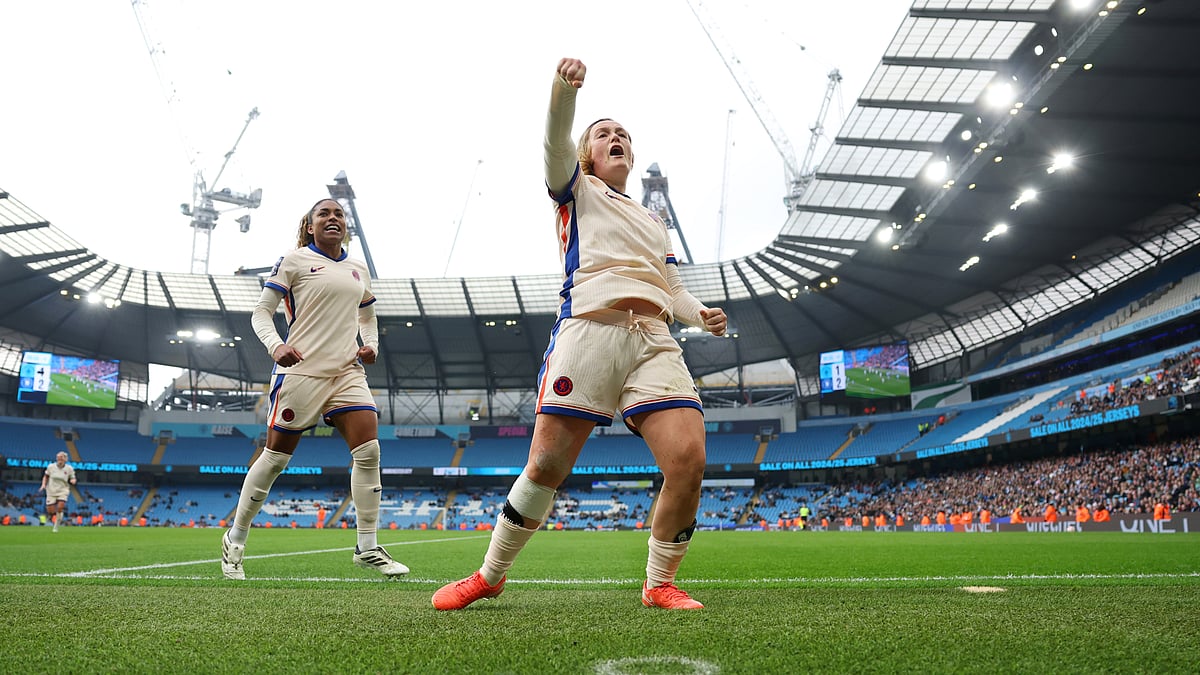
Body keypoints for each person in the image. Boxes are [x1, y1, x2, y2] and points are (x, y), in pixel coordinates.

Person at [432, 57, 727, 611]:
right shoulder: (576, 189)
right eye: (603, 134)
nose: (615, 138)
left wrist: (699, 313)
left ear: (631, 155)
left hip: (655, 340)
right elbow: (552, 141)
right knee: (546, 466)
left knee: (688, 459)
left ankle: (658, 583)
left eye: (622, 135)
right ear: (588, 155)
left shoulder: (655, 221)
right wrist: (563, 93)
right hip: (590, 330)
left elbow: (672, 287)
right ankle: (490, 575)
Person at [219, 198, 408, 580]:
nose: (333, 218)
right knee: (275, 459)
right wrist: (277, 346)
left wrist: (370, 344)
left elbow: (367, 314)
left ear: (346, 225)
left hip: (346, 372)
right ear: (310, 225)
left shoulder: (357, 268)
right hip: (301, 371)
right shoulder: (294, 260)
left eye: (339, 213)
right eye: (324, 213)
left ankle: (367, 548)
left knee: (369, 451)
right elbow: (260, 312)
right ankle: (235, 539)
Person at [39, 451, 76, 533]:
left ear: (65, 459)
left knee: (60, 507)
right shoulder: (51, 467)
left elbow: (73, 477)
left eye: (61, 458)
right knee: (51, 511)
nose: (59, 460)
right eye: (58, 458)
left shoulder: (69, 468)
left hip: (63, 490)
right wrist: (43, 485)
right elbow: (46, 476)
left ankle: (56, 525)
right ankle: (55, 517)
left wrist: (73, 480)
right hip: (51, 490)